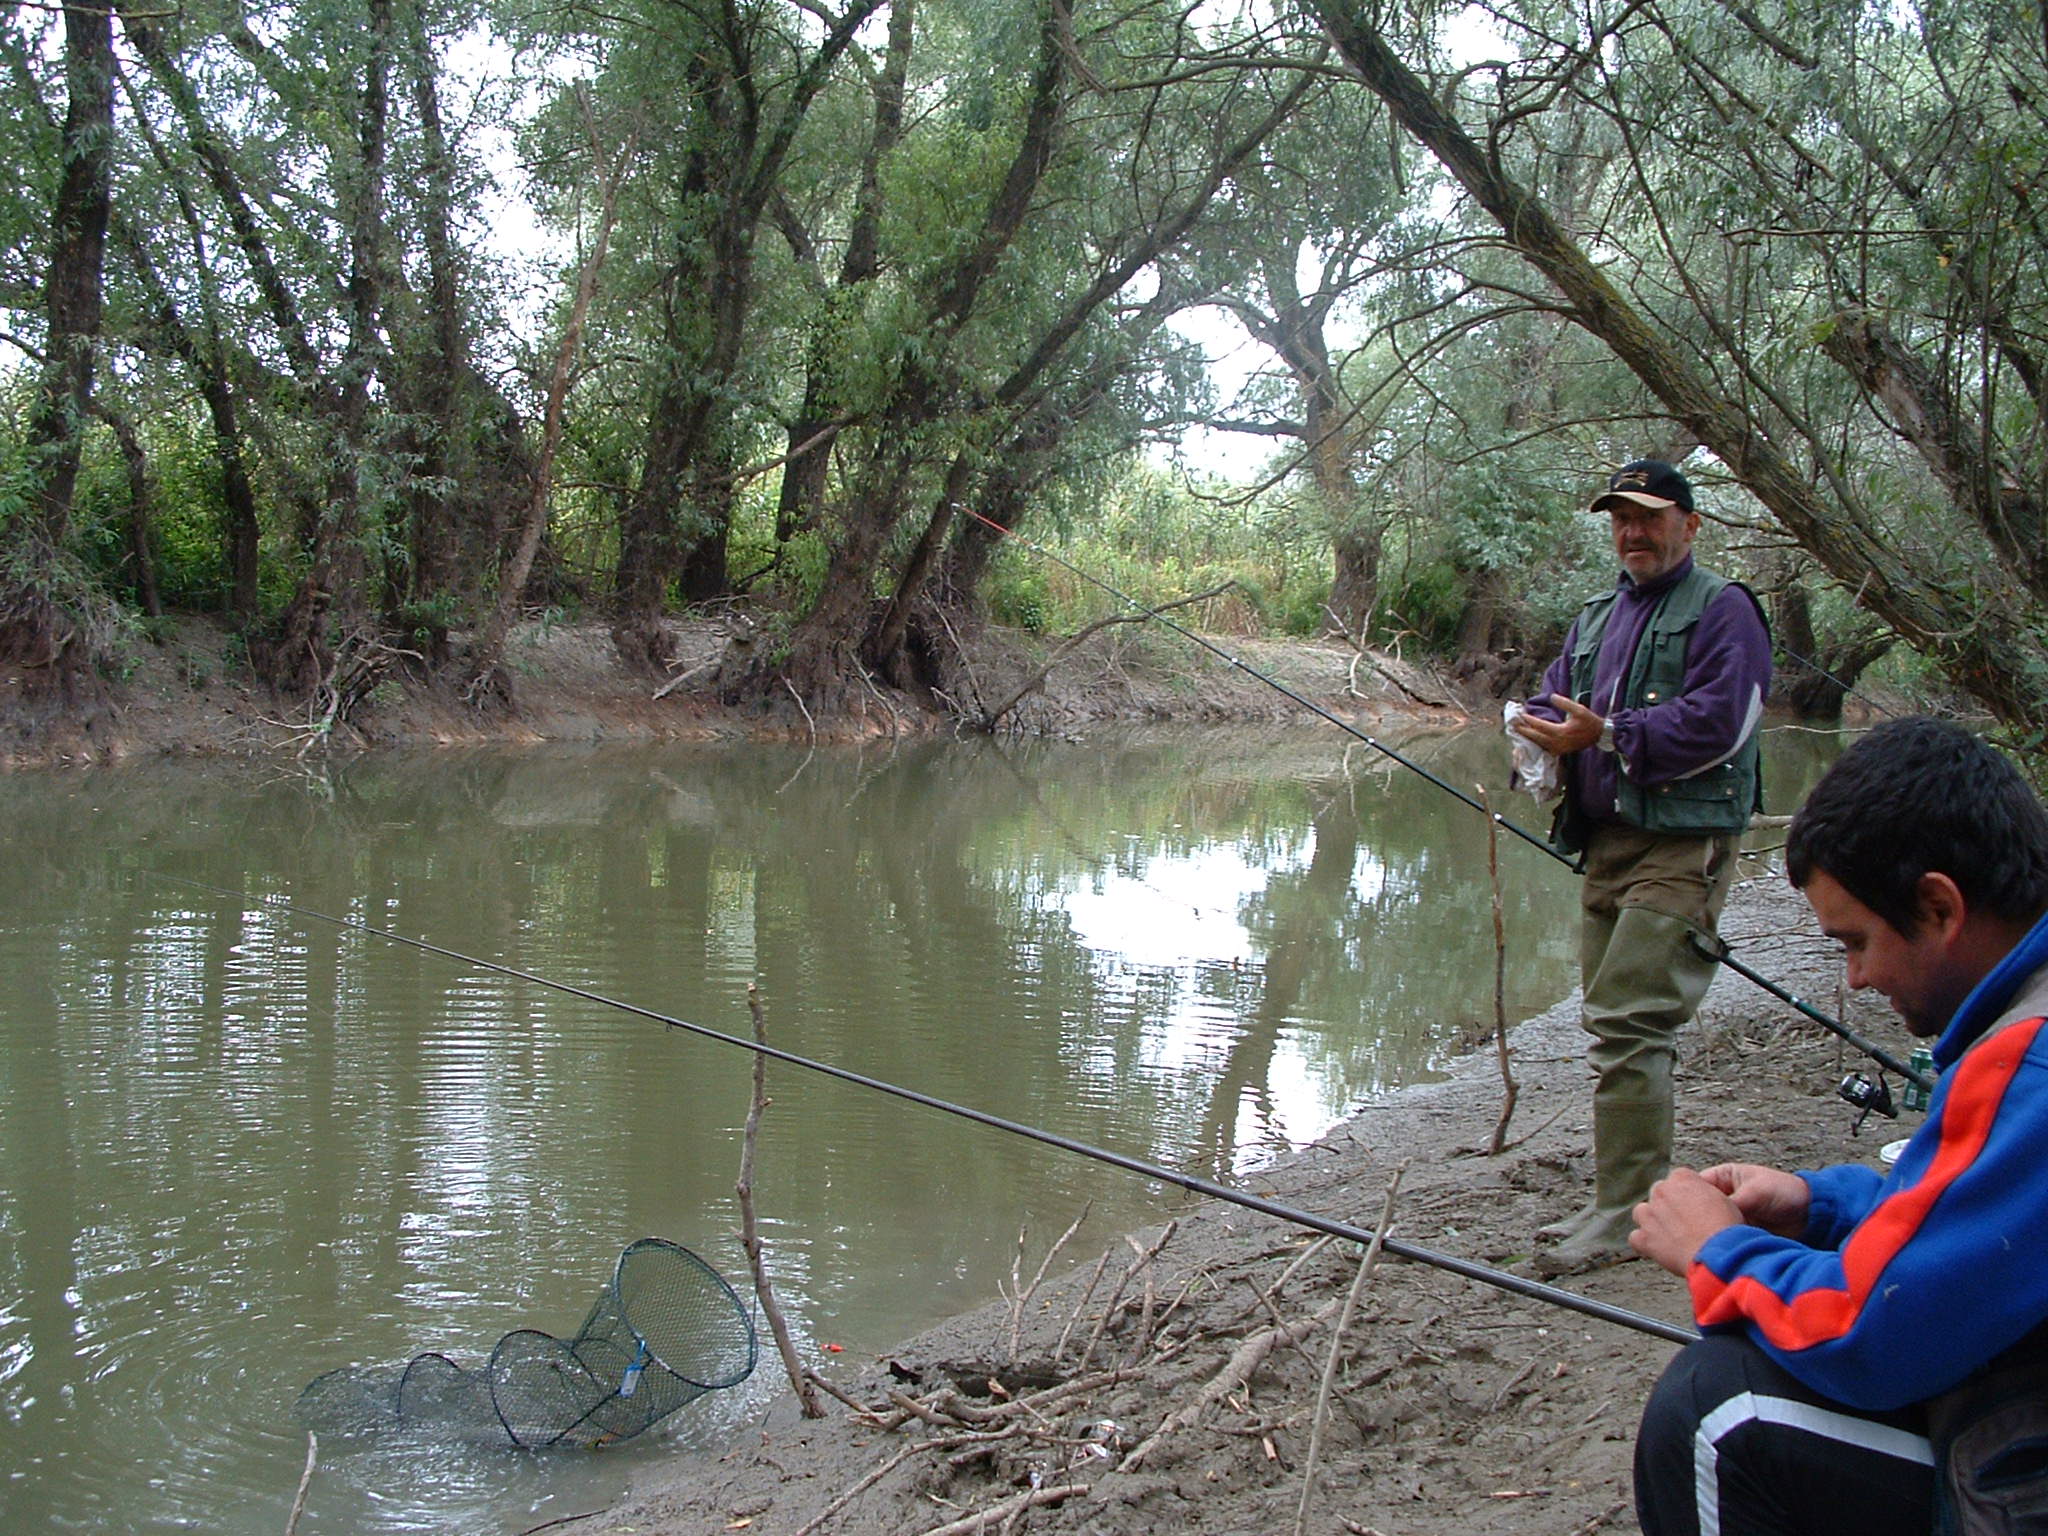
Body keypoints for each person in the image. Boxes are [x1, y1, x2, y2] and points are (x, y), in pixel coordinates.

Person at [1630, 716, 2048, 1536]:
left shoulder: (2028, 1062)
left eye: (1855, 941)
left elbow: (1868, 1333)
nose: (1855, 977)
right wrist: (1821, 1206)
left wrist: (1719, 1250)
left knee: (1715, 1408)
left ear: (1939, 906)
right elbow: (1987, 1224)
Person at [1511, 458, 1772, 1275]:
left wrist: (1612, 734)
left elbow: (1724, 720)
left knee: (1631, 1021)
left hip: (1684, 846)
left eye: (1650, 517)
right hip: (1607, 843)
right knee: (1609, 1021)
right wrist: (1534, 733)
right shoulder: (1596, 616)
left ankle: (1628, 1212)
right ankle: (1618, 1199)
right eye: (1621, 519)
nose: (1633, 532)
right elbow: (1557, 699)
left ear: (1689, 525)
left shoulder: (1725, 609)